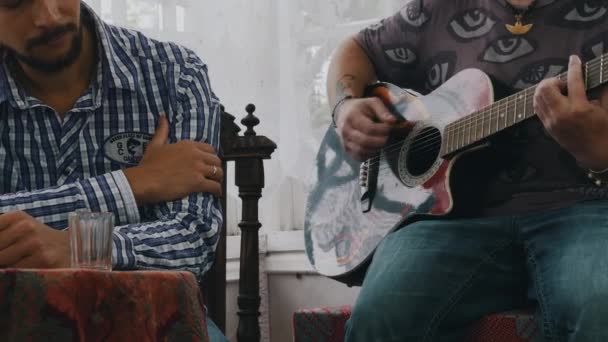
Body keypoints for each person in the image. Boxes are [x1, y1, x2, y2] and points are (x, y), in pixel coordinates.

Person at [328, 0, 608, 340]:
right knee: (378, 317)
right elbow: (356, 48)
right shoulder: (437, 9)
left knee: (600, 305)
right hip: (446, 219)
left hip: (586, 210)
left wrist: (598, 151)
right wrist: (344, 108)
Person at [0, 0, 227, 340]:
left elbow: (192, 239)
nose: (48, 16)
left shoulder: (176, 74)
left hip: (153, 318)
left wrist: (74, 248)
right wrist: (131, 185)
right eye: (15, 4)